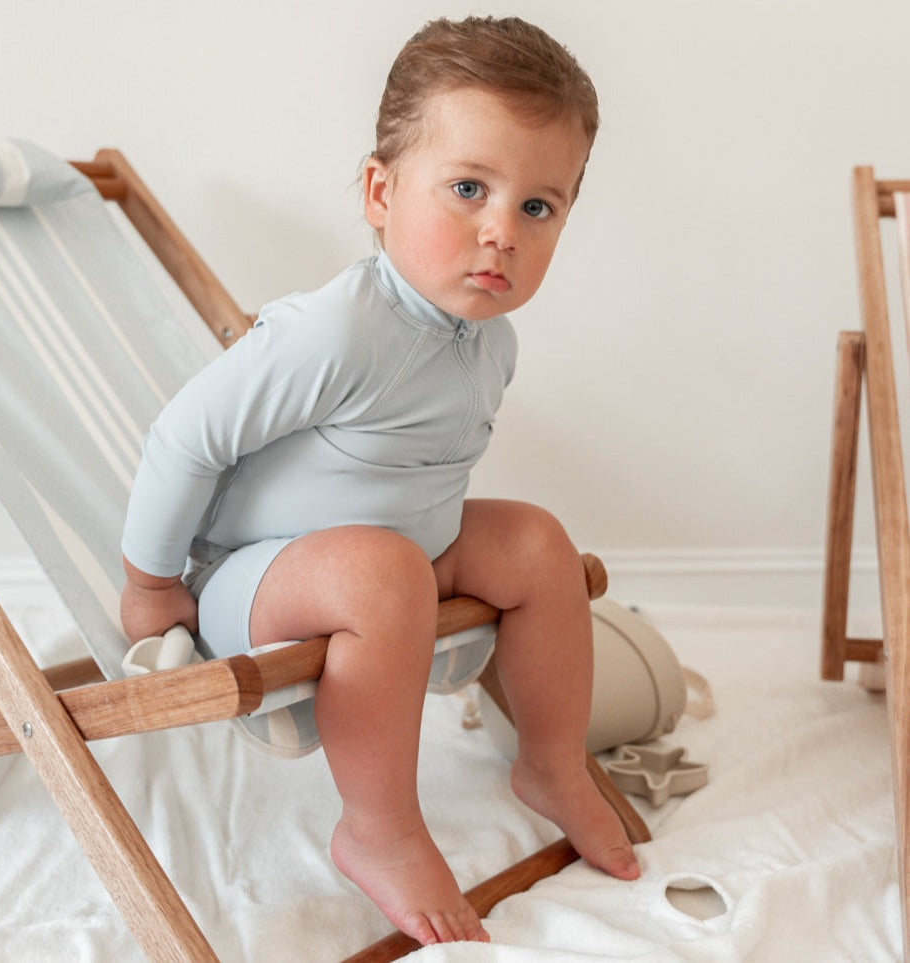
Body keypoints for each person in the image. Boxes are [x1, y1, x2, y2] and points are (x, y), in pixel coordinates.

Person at [120, 15, 639, 947]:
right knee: (383, 571)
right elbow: (183, 439)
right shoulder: (334, 330)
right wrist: (152, 583)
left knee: (536, 541)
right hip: (255, 578)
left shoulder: (491, 341)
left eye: (537, 206)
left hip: (399, 559)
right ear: (380, 191)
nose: (501, 231)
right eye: (468, 188)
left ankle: (551, 762)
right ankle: (378, 826)